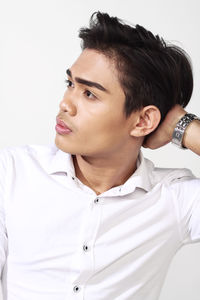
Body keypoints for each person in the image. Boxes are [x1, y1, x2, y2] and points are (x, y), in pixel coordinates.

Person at [0, 11, 199, 300]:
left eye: (89, 94)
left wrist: (183, 127)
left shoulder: (173, 199)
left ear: (143, 121)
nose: (65, 103)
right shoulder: (12, 173)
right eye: (70, 84)